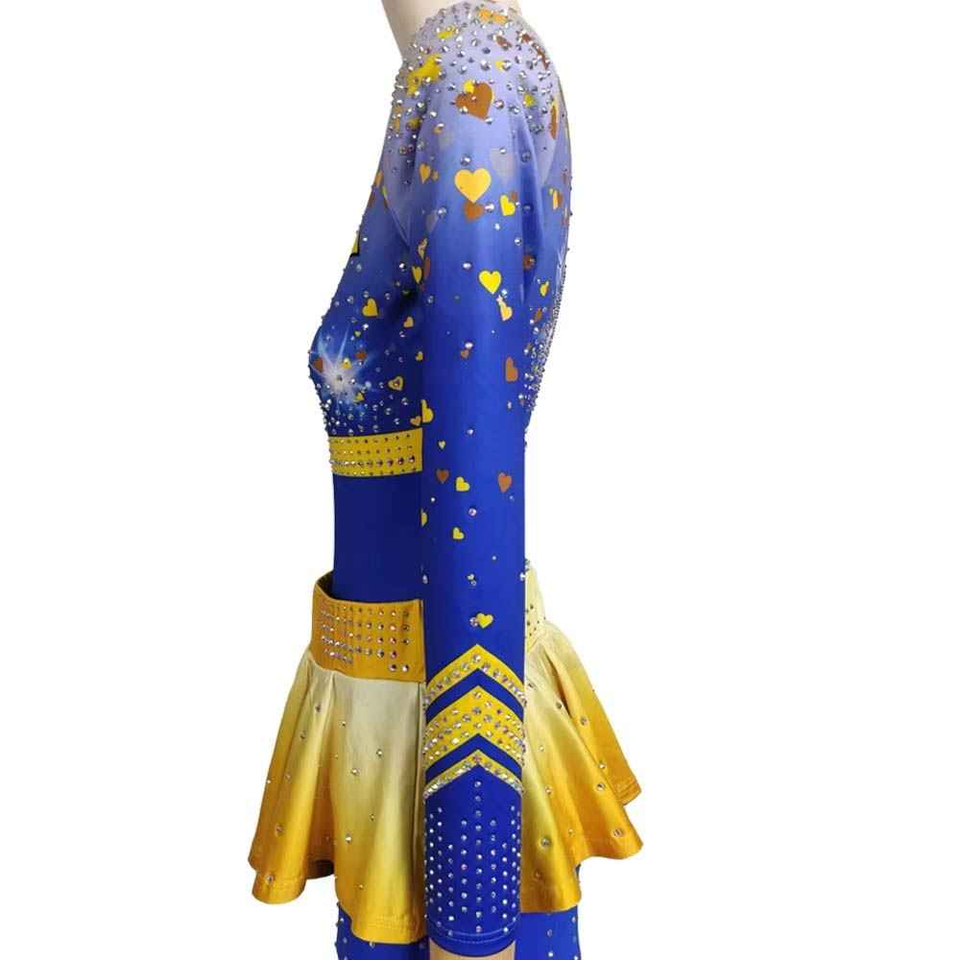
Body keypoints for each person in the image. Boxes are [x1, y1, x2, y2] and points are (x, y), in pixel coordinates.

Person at [248, 4, 642, 957]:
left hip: (440, 747)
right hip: (392, 745)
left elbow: (474, 479)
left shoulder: (475, 91)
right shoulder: (462, 73)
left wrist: (474, 914)